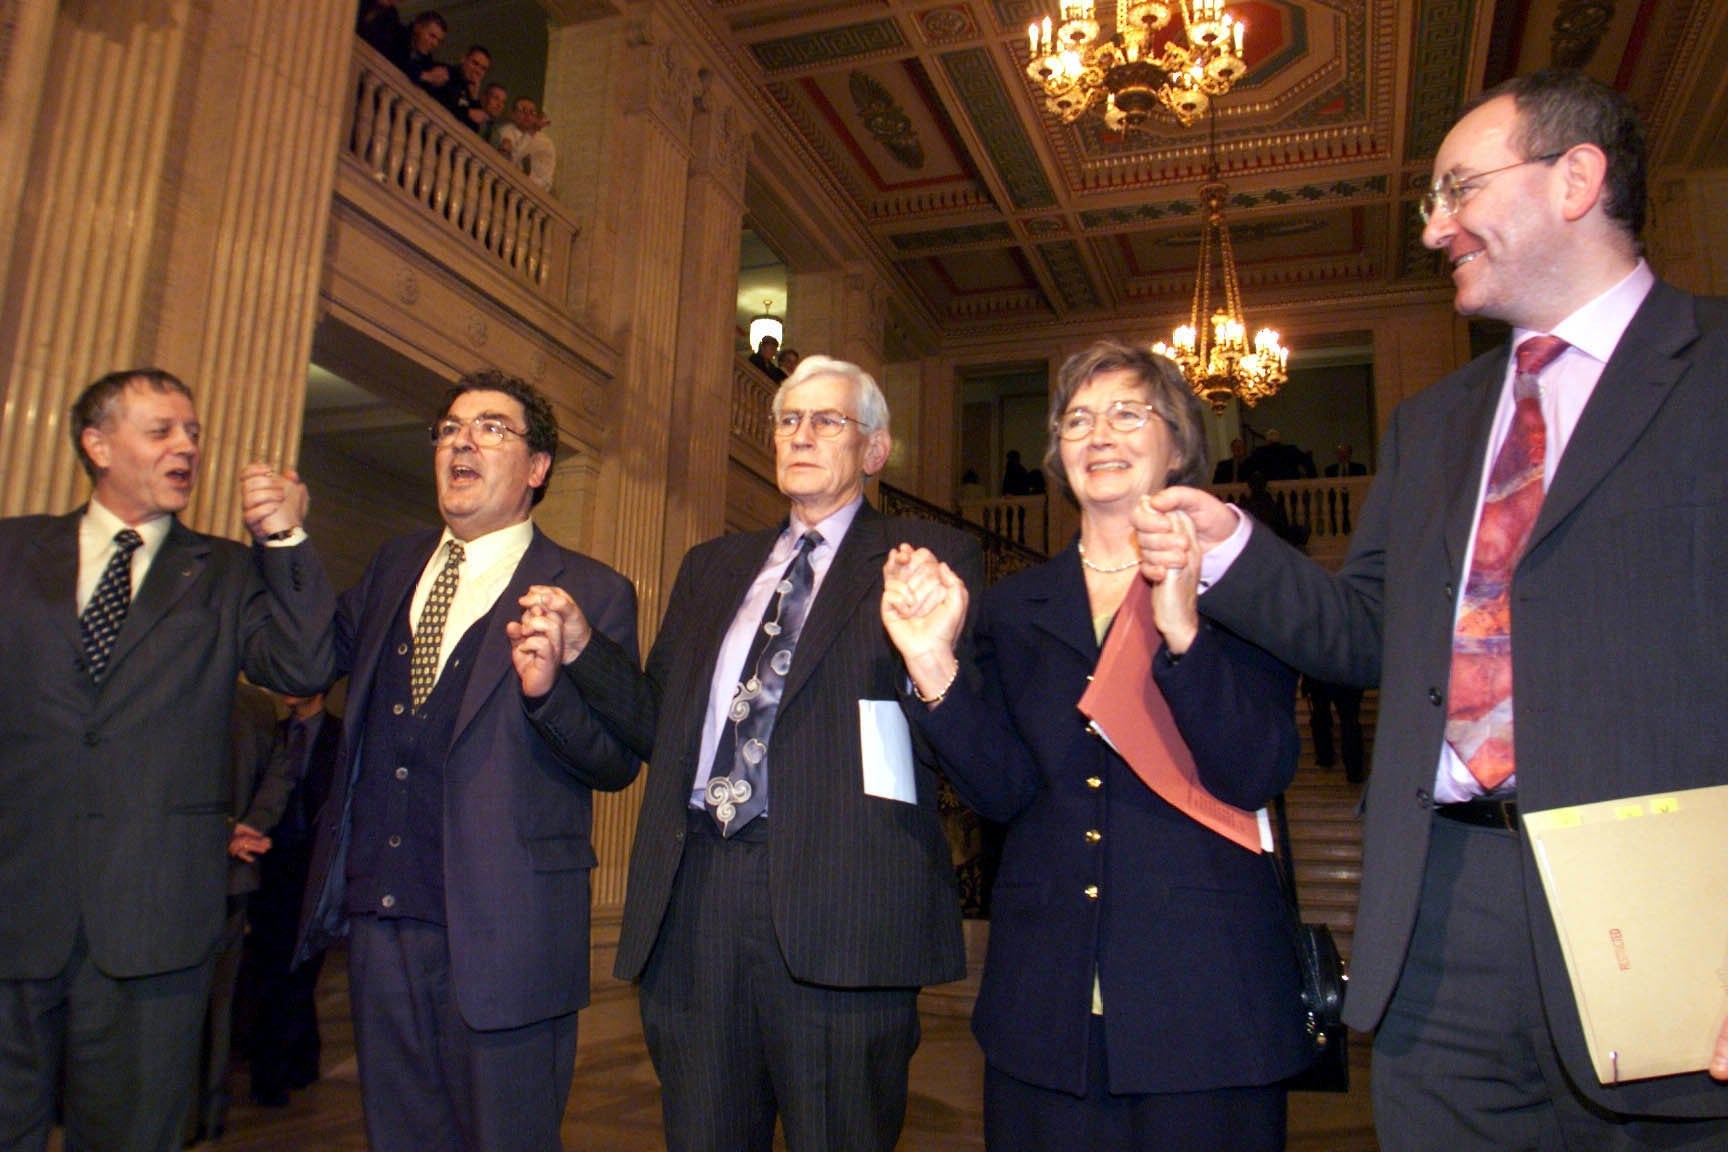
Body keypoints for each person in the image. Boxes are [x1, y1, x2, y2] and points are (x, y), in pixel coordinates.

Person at [1135, 69, 1728, 1149]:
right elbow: (1369, 638)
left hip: (1671, 925)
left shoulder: (1714, 367)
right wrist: (1236, 555)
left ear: (1575, 179)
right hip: (1442, 912)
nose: (1435, 228)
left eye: (1458, 190)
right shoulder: (1434, 422)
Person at [540, 355, 983, 1150]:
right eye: (787, 420)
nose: (800, 435)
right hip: (697, 900)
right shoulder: (712, 567)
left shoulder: (926, 558)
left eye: (826, 420)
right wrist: (582, 652)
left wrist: (932, 654)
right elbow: (658, 724)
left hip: (844, 912)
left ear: (875, 451)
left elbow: (961, 727)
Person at [881, 340, 1309, 1150]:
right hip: (1046, 1008)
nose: (1098, 434)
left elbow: (1258, 770)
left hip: (1207, 1004)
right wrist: (933, 660)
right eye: (1077, 419)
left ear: (1178, 442)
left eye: (1125, 413)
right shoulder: (1014, 610)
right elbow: (1001, 793)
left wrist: (1183, 634)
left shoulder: (1241, 587)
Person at [297, 369, 642, 1152]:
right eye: (450, 427)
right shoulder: (394, 564)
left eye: (491, 428)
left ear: (537, 467)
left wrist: (550, 693)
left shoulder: (590, 589)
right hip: (380, 920)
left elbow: (618, 760)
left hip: (507, 934)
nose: (461, 440)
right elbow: (304, 658)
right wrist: (287, 543)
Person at [0, 368, 335, 1151]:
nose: (187, 446)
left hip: (154, 924)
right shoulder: (13, 551)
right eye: (162, 431)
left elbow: (304, 665)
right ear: (98, 443)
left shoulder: (224, 572)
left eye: (193, 433)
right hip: (14, 904)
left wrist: (284, 538)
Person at [240, 690, 343, 1108]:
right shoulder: (274, 733)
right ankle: (281, 1068)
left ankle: (295, 1060)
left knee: (301, 967)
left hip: (315, 864)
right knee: (273, 966)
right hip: (272, 862)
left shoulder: (340, 734)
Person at [1303, 676, 1365, 782]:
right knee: (1349, 723)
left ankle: (1324, 757)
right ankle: (1354, 770)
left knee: (1320, 717)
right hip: (1347, 679)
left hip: (1318, 677)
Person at [497, 97, 555, 192]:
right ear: (513, 114)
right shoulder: (505, 131)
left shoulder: (545, 142)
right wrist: (531, 132)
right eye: (523, 110)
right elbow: (508, 161)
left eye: (532, 112)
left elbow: (547, 177)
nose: (527, 115)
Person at [440, 45, 493, 133]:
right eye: (475, 63)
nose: (477, 71)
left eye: (483, 69)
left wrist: (474, 97)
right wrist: (467, 113)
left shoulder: (470, 91)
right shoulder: (447, 74)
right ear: (464, 59)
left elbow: (474, 130)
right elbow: (441, 102)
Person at [398, 11, 451, 95]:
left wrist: (438, 80)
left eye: (438, 41)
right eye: (432, 36)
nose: (435, 44)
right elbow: (397, 60)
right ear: (417, 27)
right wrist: (426, 76)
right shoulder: (397, 34)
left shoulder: (426, 59)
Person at [1243, 428, 1315, 481]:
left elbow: (1247, 468)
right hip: (1291, 489)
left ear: (1267, 441)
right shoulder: (1291, 450)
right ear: (1279, 440)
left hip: (1268, 490)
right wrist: (1312, 478)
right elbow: (1307, 461)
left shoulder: (1259, 453)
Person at [478, 83, 510, 148]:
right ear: (484, 98)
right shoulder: (469, 116)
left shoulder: (496, 132)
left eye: (503, 102)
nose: (499, 105)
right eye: (496, 98)